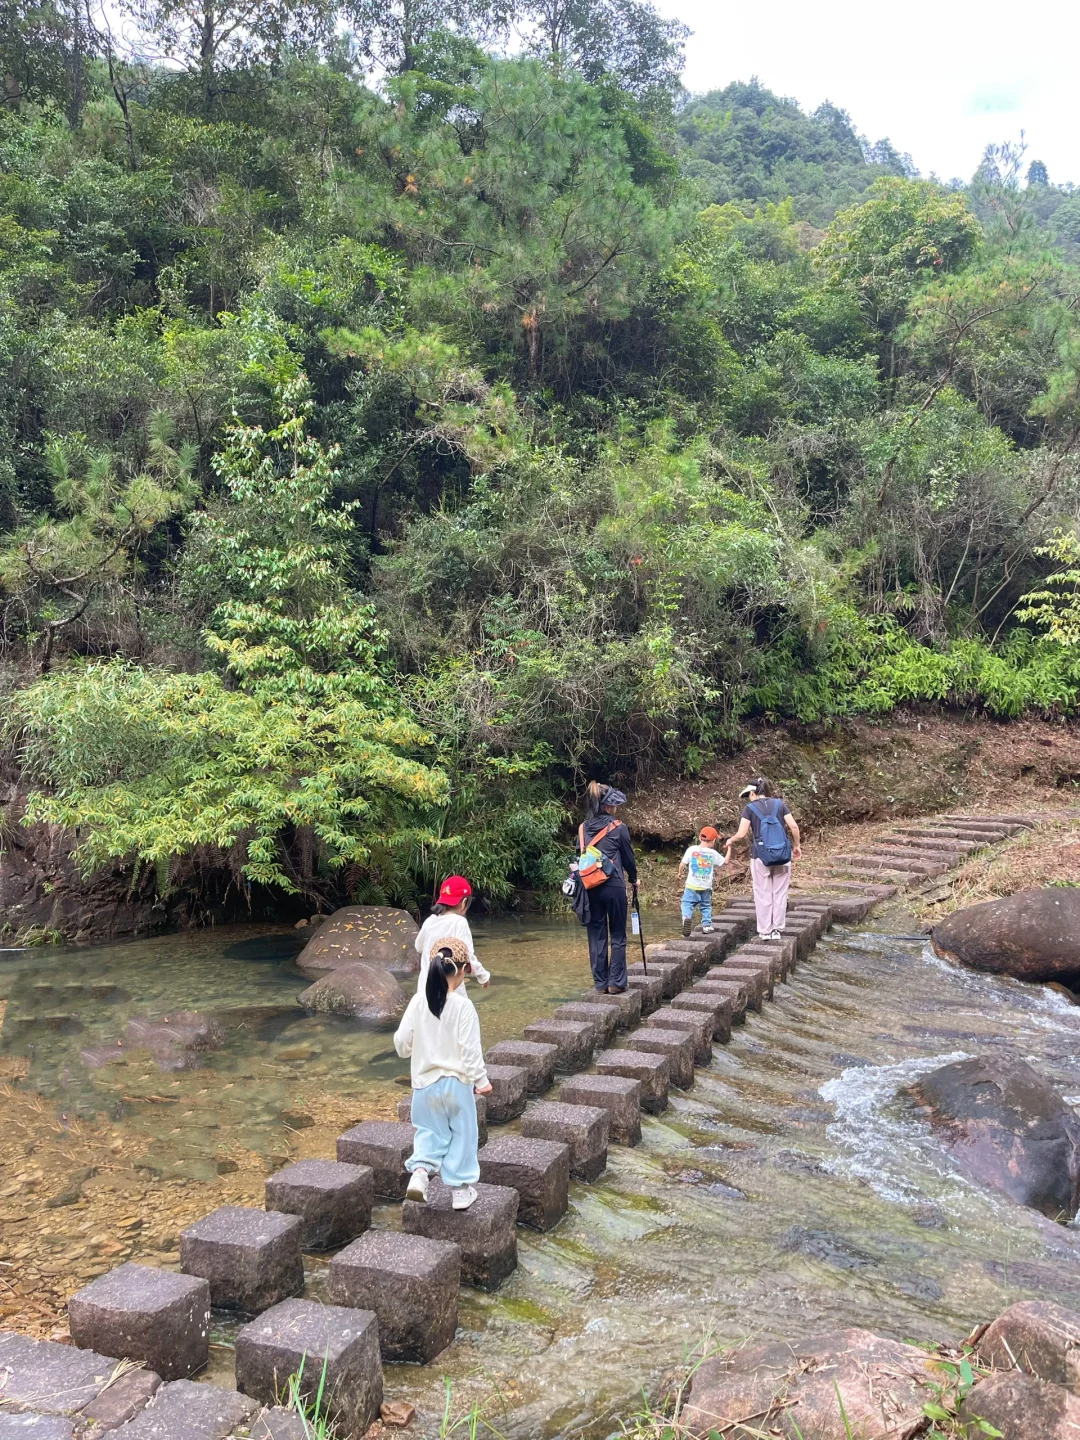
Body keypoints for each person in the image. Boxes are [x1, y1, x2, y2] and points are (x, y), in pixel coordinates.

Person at [394, 937, 492, 1211]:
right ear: (461, 971)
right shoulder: (463, 1007)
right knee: (462, 1134)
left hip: (424, 1086)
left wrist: (416, 1045)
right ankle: (460, 1192)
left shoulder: (417, 1002)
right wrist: (482, 1081)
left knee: (429, 1133)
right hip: (457, 1085)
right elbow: (470, 1051)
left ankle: (420, 1175)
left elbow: (402, 1044)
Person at [724, 778, 802, 941]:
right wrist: (797, 846)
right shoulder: (779, 804)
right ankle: (777, 930)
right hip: (782, 856)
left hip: (760, 857)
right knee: (780, 893)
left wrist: (731, 840)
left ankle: (765, 931)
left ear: (753, 793)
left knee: (763, 893)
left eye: (749, 795)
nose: (749, 798)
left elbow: (742, 833)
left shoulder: (750, 809)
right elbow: (794, 826)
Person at [579, 781, 638, 994]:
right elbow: (628, 858)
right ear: (608, 805)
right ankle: (616, 983)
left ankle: (600, 984)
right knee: (618, 934)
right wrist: (634, 878)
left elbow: (581, 856)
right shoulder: (618, 827)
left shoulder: (583, 828)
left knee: (597, 935)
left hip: (590, 887)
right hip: (613, 886)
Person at [414, 875, 490, 991]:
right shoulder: (459, 922)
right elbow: (467, 955)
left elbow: (419, 947)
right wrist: (483, 976)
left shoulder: (430, 921)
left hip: (425, 988)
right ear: (464, 902)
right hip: (451, 989)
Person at [677, 825, 728, 936]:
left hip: (691, 885)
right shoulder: (712, 853)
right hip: (706, 887)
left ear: (700, 838)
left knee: (687, 903)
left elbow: (682, 864)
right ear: (714, 840)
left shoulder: (691, 850)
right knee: (706, 906)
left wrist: (680, 873)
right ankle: (707, 926)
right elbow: (726, 862)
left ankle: (686, 918)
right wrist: (730, 848)